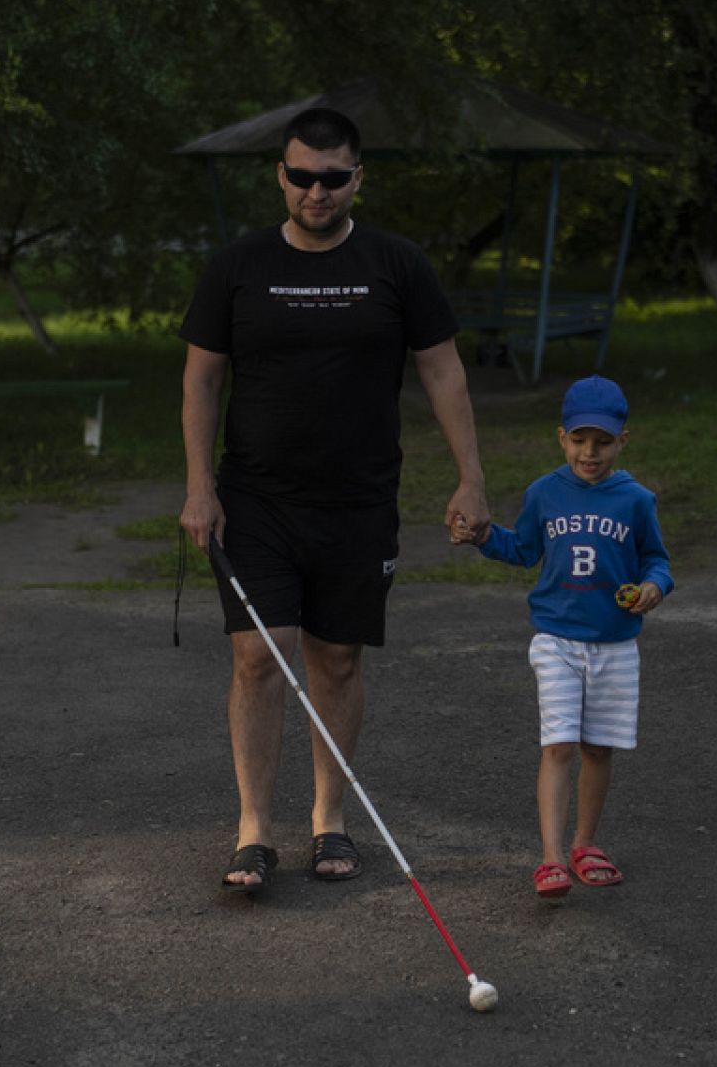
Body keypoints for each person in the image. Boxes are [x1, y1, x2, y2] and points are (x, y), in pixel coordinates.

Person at [179, 105, 490, 893]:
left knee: (338, 659)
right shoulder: (238, 266)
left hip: (357, 501)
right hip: (256, 499)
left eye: (334, 177)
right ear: (280, 176)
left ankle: (329, 818)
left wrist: (471, 476)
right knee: (257, 656)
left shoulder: (398, 264)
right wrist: (198, 485)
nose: (317, 191)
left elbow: (443, 370)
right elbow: (203, 377)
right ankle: (253, 830)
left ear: (359, 177)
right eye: (301, 176)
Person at [450, 374, 672, 898]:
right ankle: (550, 859)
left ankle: (585, 845)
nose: (589, 452)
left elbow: (657, 559)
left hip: (616, 643)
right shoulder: (544, 493)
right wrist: (482, 537)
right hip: (557, 641)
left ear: (623, 441)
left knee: (599, 748)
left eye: (602, 441)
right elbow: (524, 549)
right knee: (560, 745)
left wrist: (653, 586)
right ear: (561, 437)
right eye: (579, 440)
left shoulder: (636, 500)